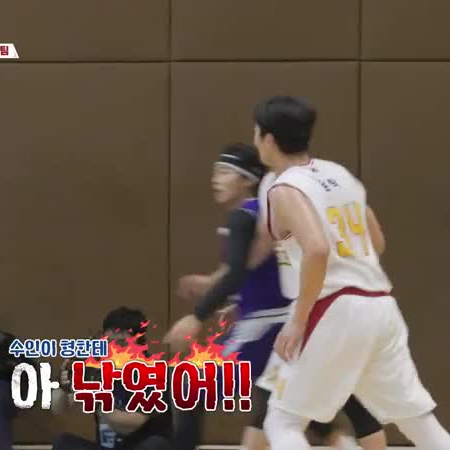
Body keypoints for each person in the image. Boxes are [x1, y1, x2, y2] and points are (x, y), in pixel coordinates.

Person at [249, 95, 450, 450]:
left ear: (268, 139)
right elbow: (376, 241)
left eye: (256, 133)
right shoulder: (338, 174)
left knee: (282, 421)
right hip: (380, 307)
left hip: (332, 307)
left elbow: (317, 249)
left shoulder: (284, 187)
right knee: (418, 421)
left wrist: (298, 320)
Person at [165, 144, 386, 450]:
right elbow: (256, 270)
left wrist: (197, 315)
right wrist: (231, 294)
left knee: (191, 384)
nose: (216, 179)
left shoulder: (245, 216)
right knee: (294, 408)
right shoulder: (276, 210)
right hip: (298, 320)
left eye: (225, 172)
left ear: (247, 179)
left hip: (266, 325)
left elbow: (237, 272)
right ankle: (342, 441)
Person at [51, 307, 172, 450]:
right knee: (63, 442)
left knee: (156, 445)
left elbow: (130, 425)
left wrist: (98, 401)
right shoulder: (97, 368)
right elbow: (58, 408)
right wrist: (64, 386)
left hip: (139, 446)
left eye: (122, 344)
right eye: (109, 343)